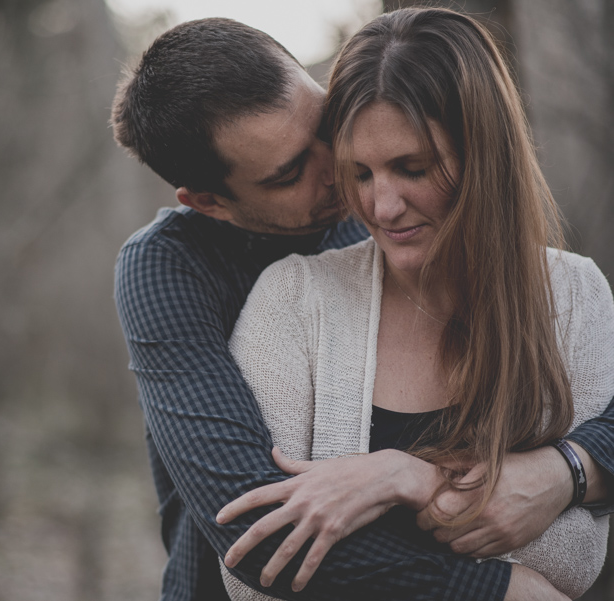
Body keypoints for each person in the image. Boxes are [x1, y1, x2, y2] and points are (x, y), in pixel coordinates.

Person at [111, 16, 614, 601]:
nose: (346, 177)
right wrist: (499, 588)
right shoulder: (172, 272)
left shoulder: (555, 279)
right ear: (210, 203)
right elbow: (259, 531)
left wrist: (566, 470)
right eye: (292, 172)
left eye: (326, 127)